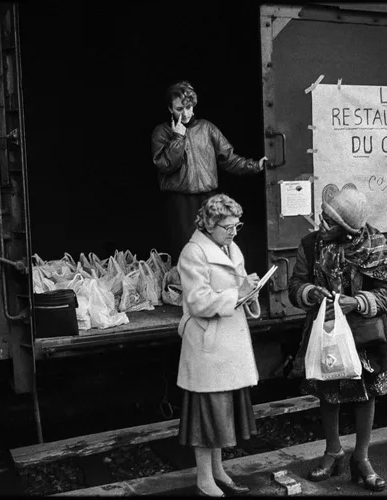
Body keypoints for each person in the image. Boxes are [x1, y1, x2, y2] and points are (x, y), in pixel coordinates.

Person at [287, 185, 387, 492]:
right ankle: (333, 451)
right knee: (329, 390)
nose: (321, 224)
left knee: (366, 394)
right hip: (325, 333)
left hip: (364, 336)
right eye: (323, 217)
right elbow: (296, 284)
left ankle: (361, 458)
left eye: (329, 221)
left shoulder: (376, 246)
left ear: (348, 229)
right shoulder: (310, 245)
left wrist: (360, 302)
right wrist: (309, 293)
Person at [175, 193, 261, 497]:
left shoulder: (230, 246)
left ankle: (218, 470)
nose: (234, 232)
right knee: (207, 414)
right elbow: (198, 301)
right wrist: (238, 295)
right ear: (209, 225)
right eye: (228, 227)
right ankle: (203, 478)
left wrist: (250, 291)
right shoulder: (193, 252)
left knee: (222, 412)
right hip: (208, 343)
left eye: (237, 226)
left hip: (228, 340)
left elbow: (235, 290)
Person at [151, 81, 268, 261]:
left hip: (208, 200)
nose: (185, 113)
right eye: (179, 108)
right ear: (169, 108)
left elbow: (228, 159)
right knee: (187, 252)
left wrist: (255, 166)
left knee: (216, 250)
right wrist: (178, 137)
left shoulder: (207, 128)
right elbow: (167, 165)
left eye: (189, 107)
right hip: (180, 203)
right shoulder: (162, 133)